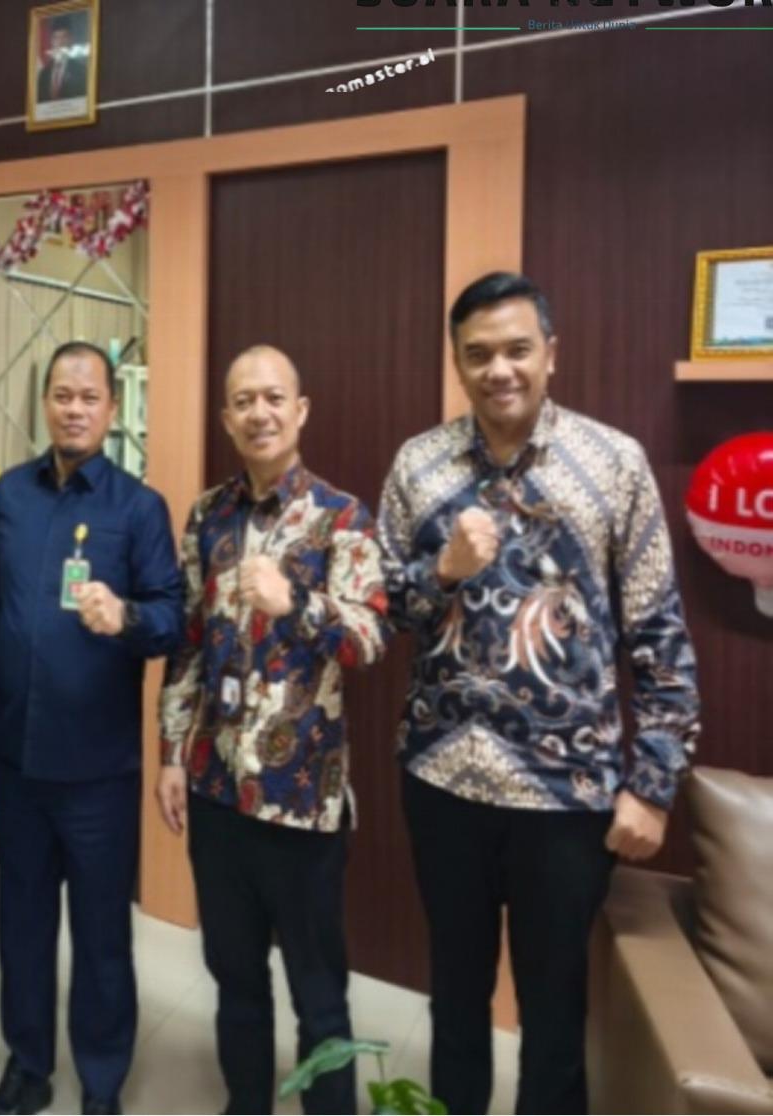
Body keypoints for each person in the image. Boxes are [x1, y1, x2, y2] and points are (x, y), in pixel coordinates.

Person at [377, 272, 701, 1114]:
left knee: (556, 1018)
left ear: (551, 354)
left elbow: (660, 636)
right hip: (442, 782)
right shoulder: (419, 464)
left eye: (517, 349)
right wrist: (444, 569)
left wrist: (652, 785)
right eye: (478, 354)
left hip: (569, 795)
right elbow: (382, 612)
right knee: (454, 1000)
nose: (499, 370)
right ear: (457, 362)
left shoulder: (613, 463)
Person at [157, 346, 389, 1115]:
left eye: (273, 398)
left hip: (304, 802)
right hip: (217, 790)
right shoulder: (208, 516)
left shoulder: (342, 517)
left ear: (300, 410)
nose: (259, 413)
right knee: (235, 979)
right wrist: (171, 755)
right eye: (243, 401)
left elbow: (371, 640)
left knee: (319, 995)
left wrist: (298, 604)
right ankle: (246, 1103)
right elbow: (189, 644)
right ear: (226, 418)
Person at [0, 341, 184, 1116]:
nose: (74, 409)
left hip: (98, 769)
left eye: (89, 397)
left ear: (112, 408)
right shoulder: (11, 496)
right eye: (62, 395)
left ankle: (101, 1083)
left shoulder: (138, 508)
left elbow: (172, 617)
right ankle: (27, 1066)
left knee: (100, 938)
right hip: (16, 762)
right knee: (21, 926)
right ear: (46, 403)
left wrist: (126, 617)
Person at [35, 22, 87, 104]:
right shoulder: (44, 73)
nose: (60, 42)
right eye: (56, 38)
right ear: (52, 42)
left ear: (71, 40)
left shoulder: (81, 70)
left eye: (64, 37)